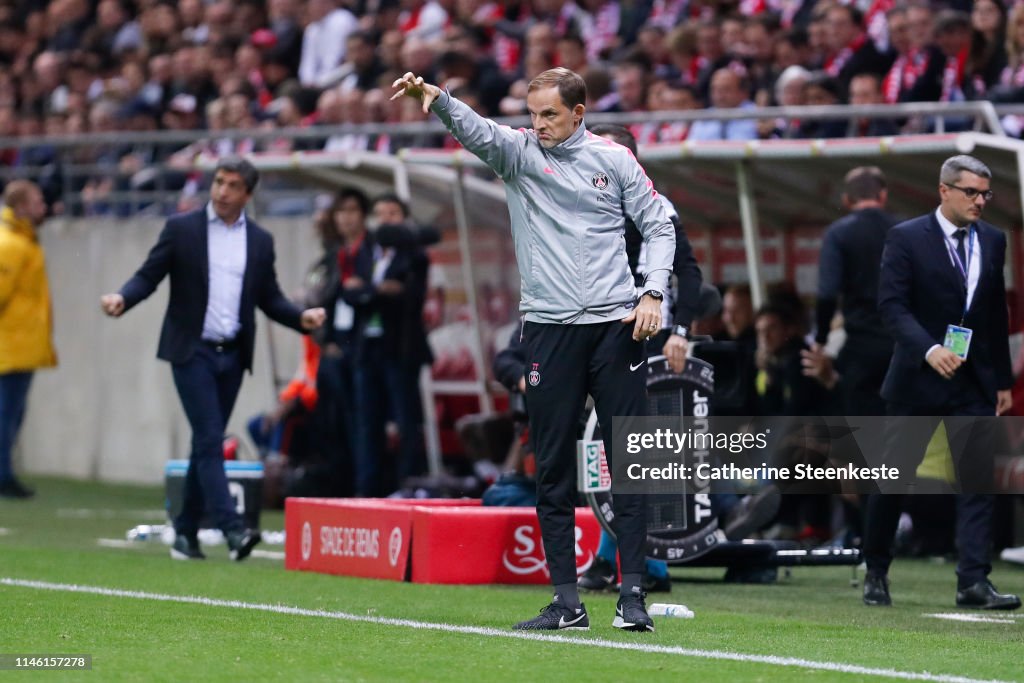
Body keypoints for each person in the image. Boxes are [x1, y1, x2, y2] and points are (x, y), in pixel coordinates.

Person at [393, 67, 675, 632]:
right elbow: (480, 132)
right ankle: (567, 601)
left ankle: (633, 595)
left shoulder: (615, 160)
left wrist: (652, 292)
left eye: (549, 114)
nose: (537, 124)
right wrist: (440, 100)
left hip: (617, 327)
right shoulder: (519, 155)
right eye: (533, 113)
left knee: (630, 464)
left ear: (578, 112)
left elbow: (660, 222)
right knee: (550, 469)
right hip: (549, 330)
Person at [100, 156, 326, 562]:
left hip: (233, 354)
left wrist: (301, 319)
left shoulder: (259, 240)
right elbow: (148, 276)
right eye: (219, 182)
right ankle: (233, 529)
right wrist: (122, 298)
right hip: (192, 351)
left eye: (232, 185)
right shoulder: (181, 229)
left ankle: (185, 533)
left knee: (204, 445)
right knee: (209, 439)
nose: (222, 191)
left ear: (248, 194)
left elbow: (269, 297)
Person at [863, 154, 1021, 610]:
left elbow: (993, 313)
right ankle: (876, 567)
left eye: (985, 193)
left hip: (972, 381)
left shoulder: (992, 240)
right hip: (917, 378)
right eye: (971, 192)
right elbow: (892, 306)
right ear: (944, 190)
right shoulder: (906, 237)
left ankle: (973, 580)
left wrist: (1002, 379)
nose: (980, 201)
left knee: (977, 481)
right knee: (894, 479)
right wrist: (930, 349)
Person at [808, 166, 899, 417]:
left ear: (846, 200)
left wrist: (821, 339)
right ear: (883, 196)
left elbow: (827, 293)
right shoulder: (905, 231)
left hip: (861, 351)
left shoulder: (838, 234)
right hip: (903, 348)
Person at [0, 180, 54, 499]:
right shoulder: (12, 245)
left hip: (20, 344)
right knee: (6, 414)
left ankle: (4, 472)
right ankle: (2, 475)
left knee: (12, 413)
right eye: (37, 201)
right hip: (9, 344)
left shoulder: (24, 241)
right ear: (20, 206)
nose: (43, 207)